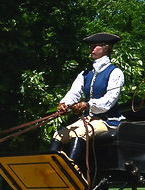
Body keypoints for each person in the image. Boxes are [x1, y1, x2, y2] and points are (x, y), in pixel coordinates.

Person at [51, 32, 125, 164]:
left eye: (95, 46)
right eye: (90, 46)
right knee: (59, 134)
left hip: (107, 121)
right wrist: (64, 104)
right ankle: (49, 169)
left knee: (78, 133)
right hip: (88, 119)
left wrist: (87, 105)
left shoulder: (115, 73)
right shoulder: (85, 73)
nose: (91, 49)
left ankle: (72, 169)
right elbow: (74, 93)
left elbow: (109, 101)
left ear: (106, 47)